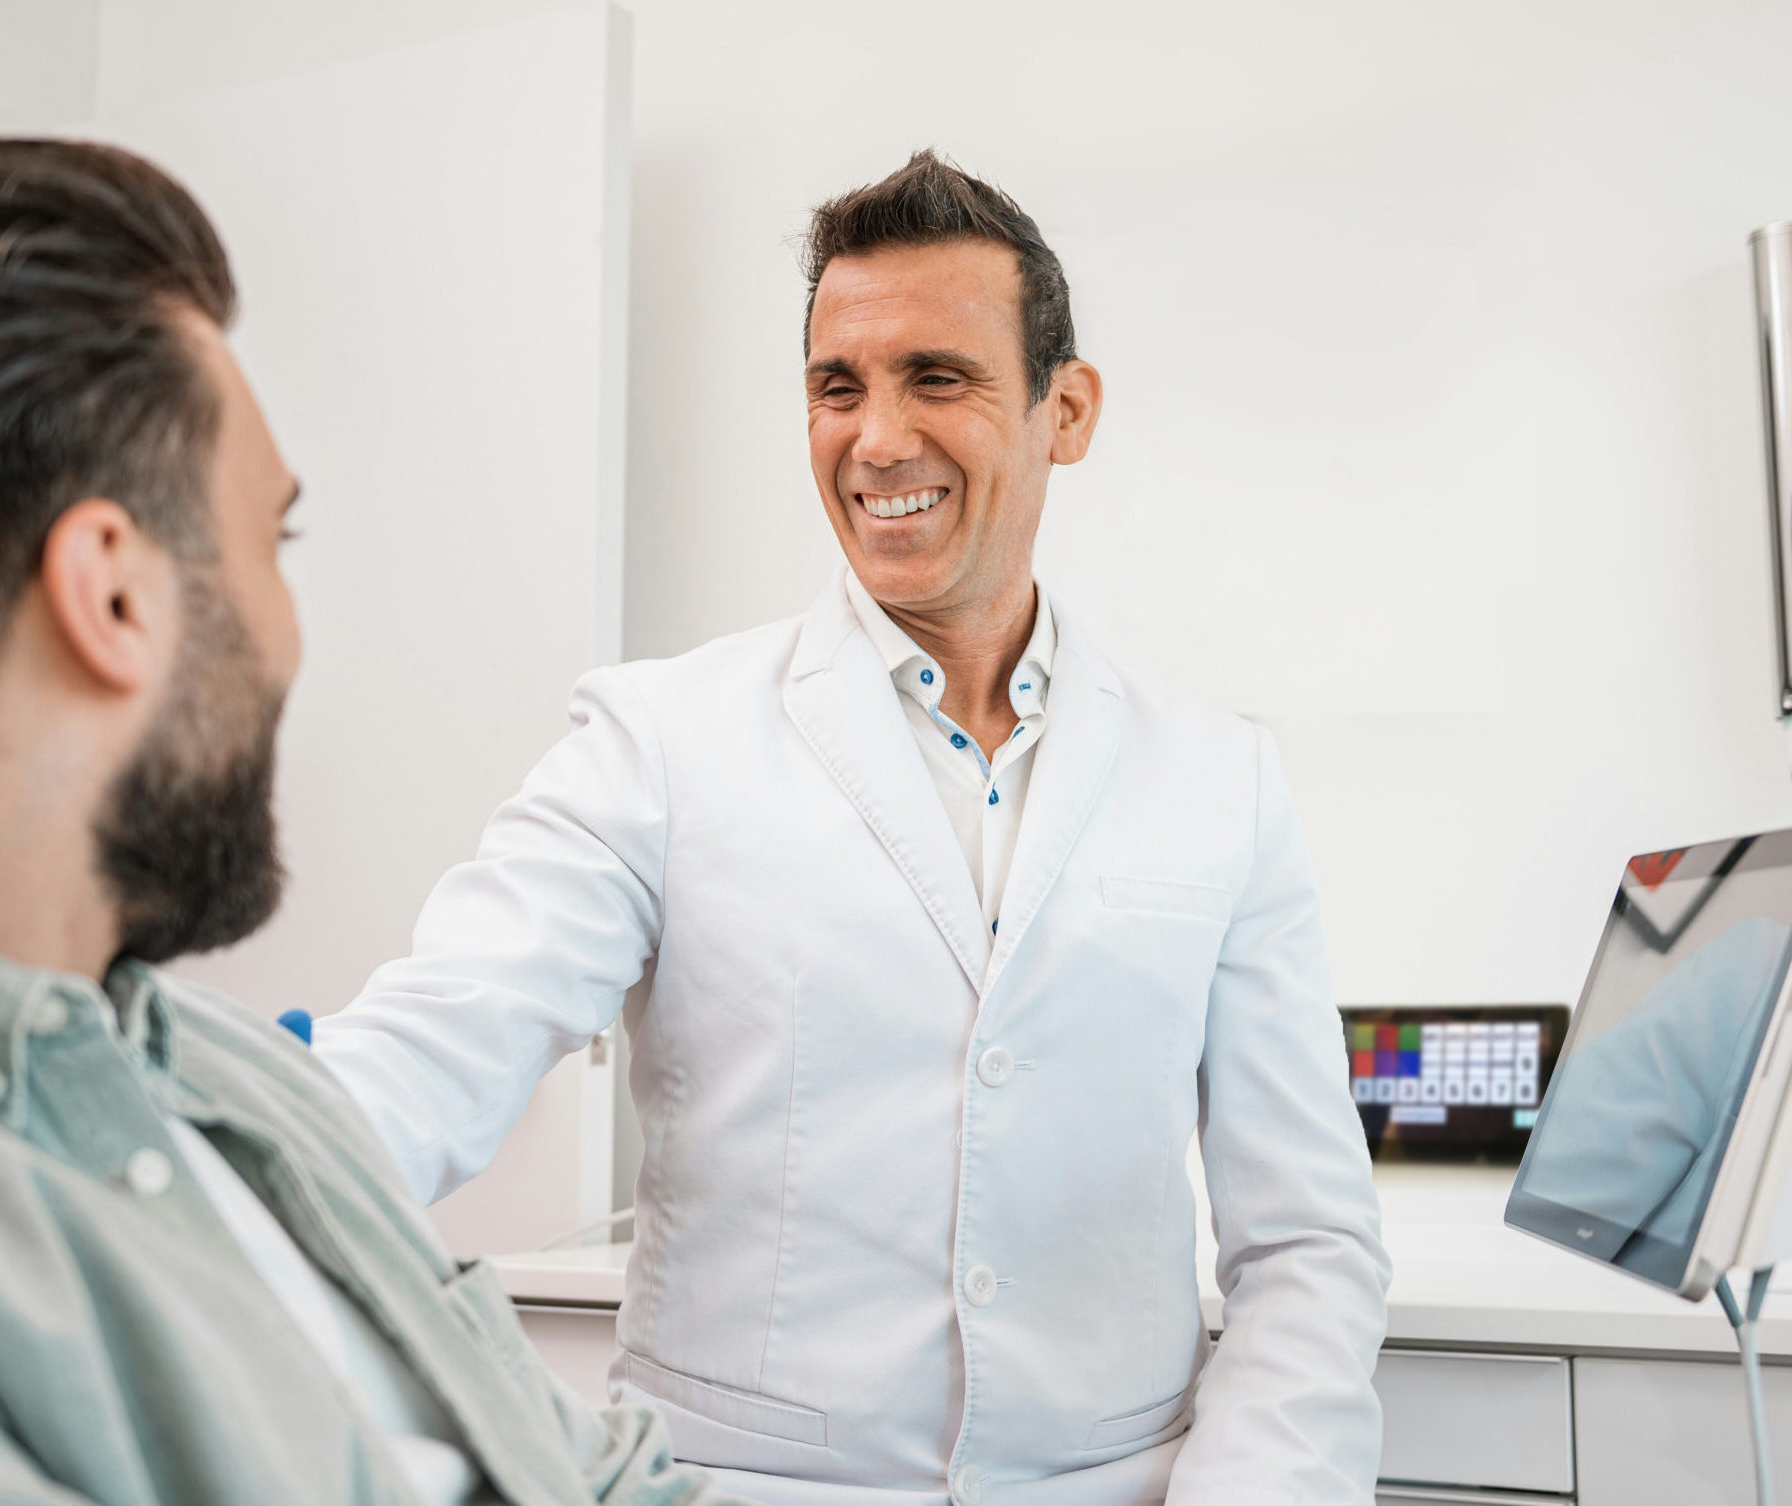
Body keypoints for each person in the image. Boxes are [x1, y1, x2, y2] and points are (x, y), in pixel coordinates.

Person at [317, 151, 1390, 1506]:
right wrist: (169, 1169)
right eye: (838, 386)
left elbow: (1307, 1240)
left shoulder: (1220, 780)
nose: (876, 439)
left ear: (1065, 411)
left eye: (935, 378)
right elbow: (437, 1040)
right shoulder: (658, 741)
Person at [0, 128, 751, 1506]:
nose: (290, 631)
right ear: (112, 597)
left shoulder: (245, 1081)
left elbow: (593, 1475)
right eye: (274, 541)